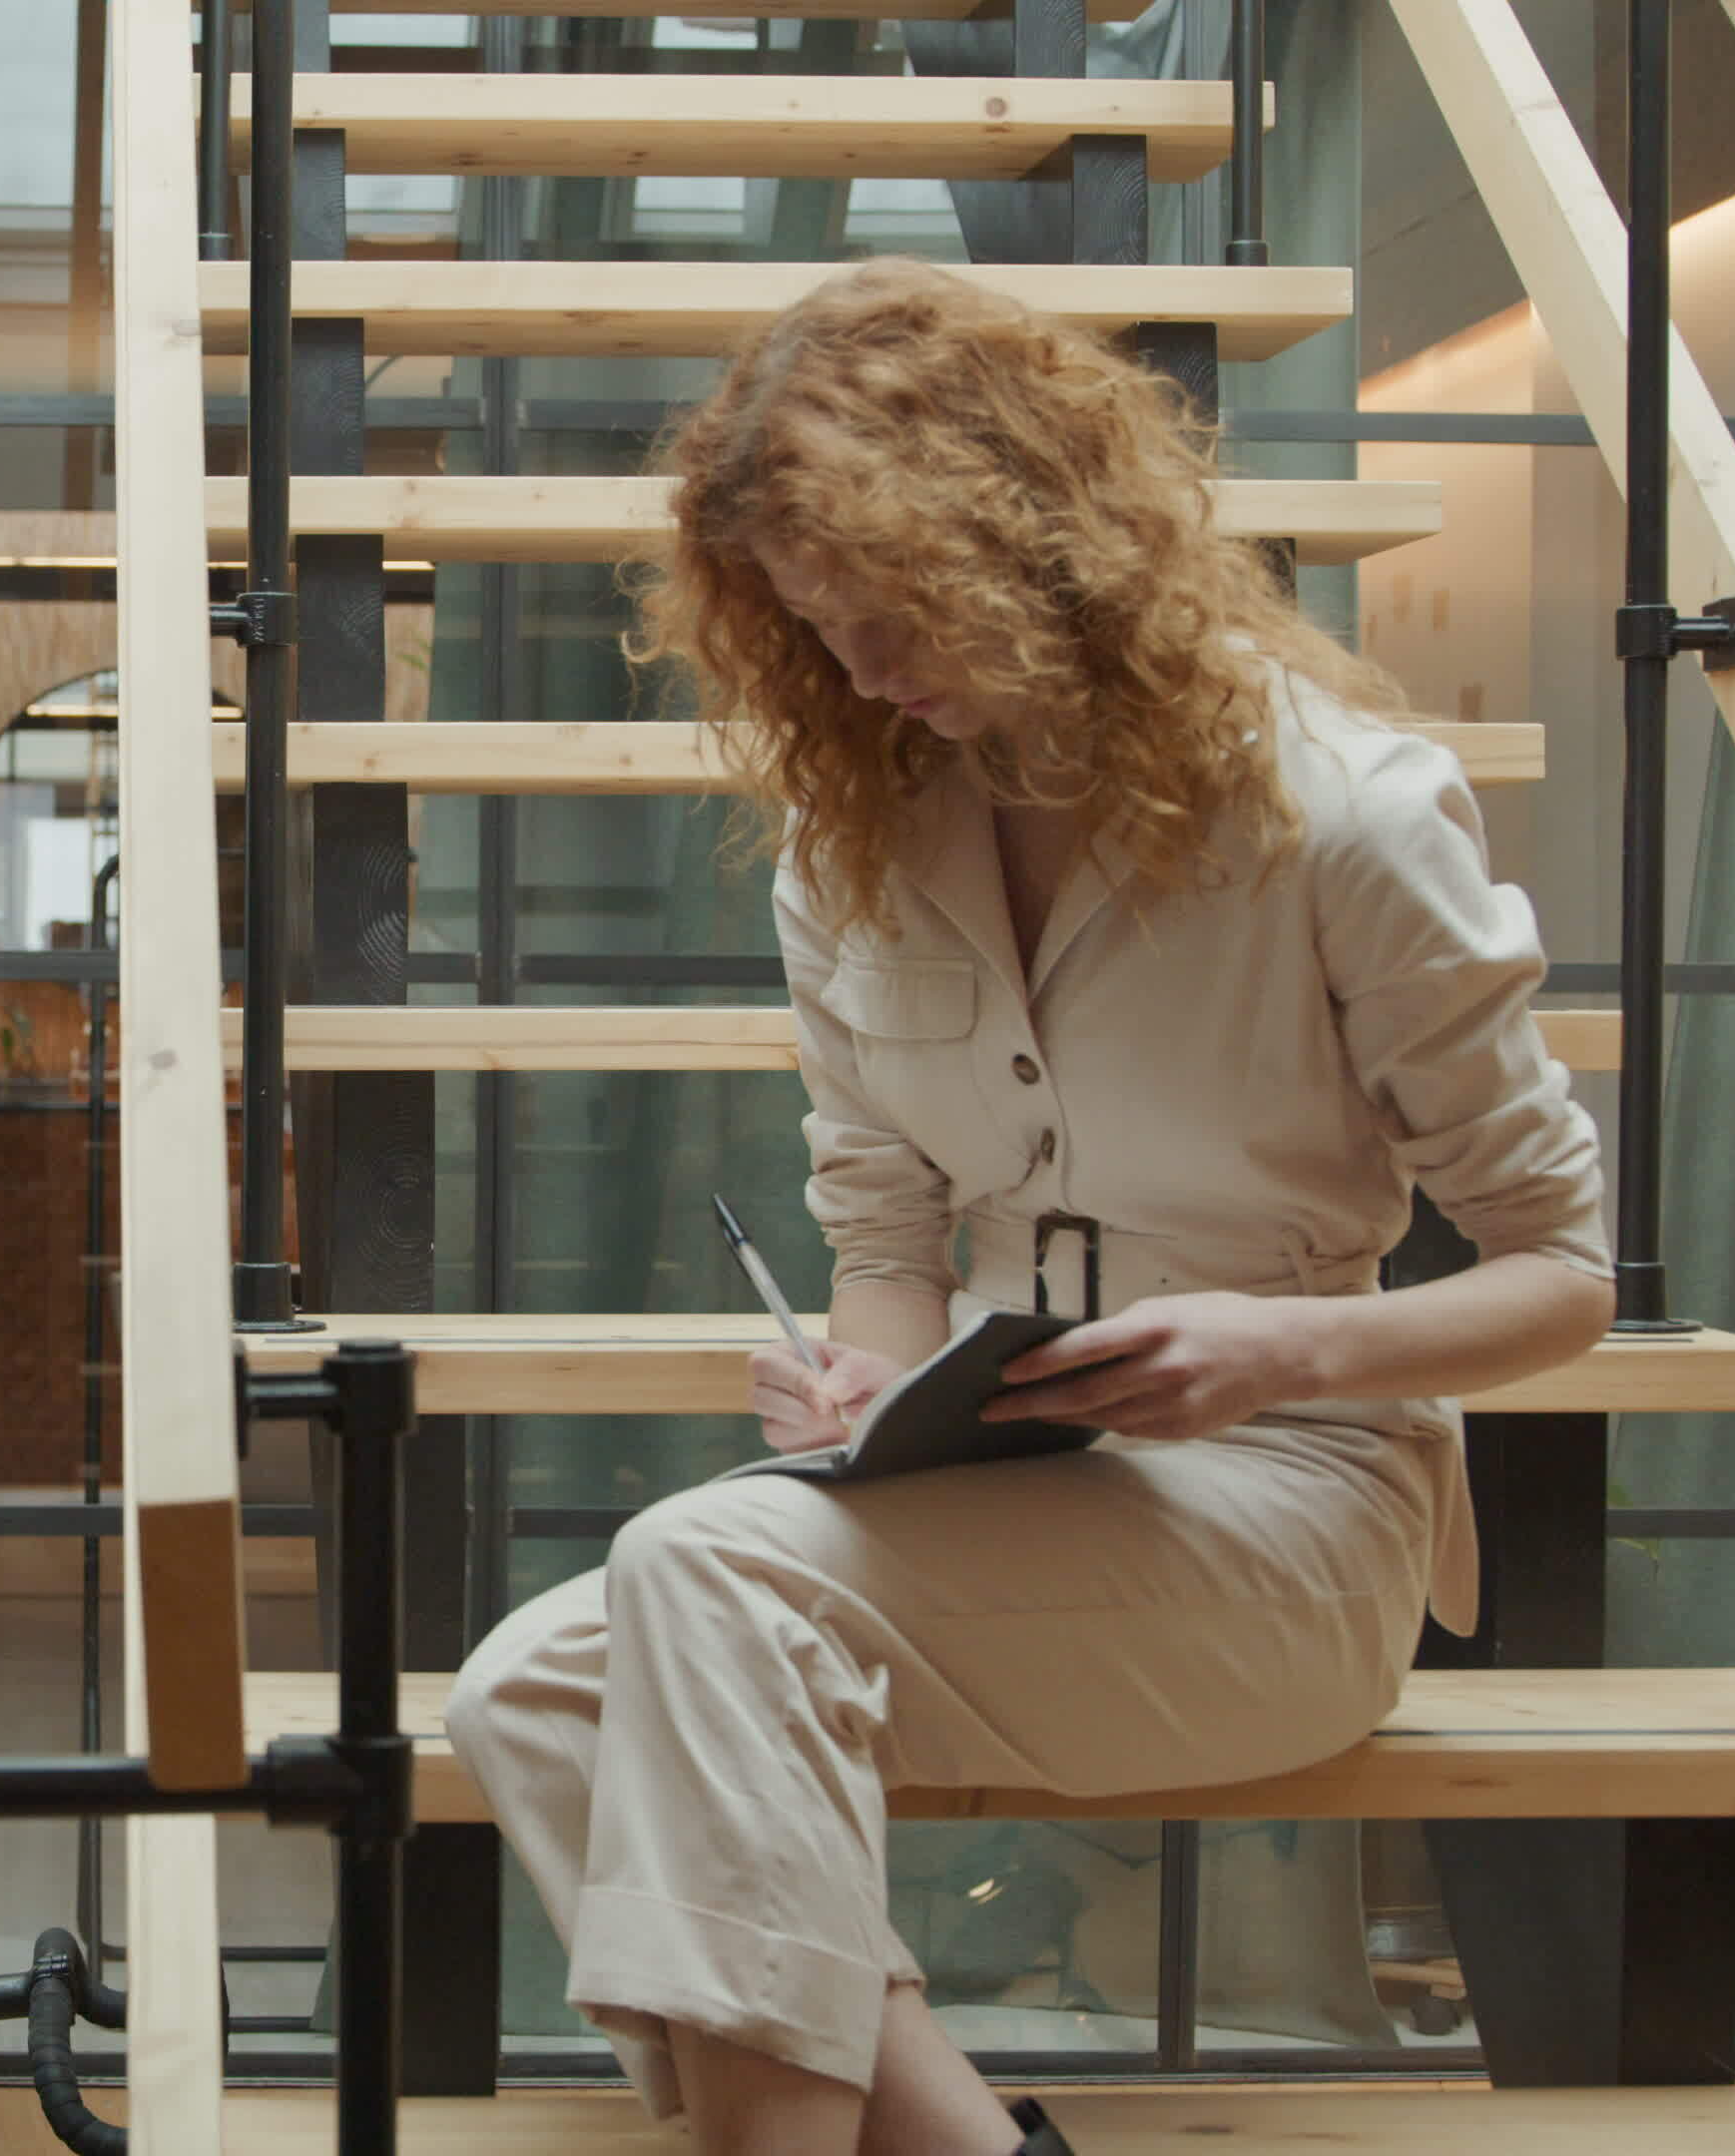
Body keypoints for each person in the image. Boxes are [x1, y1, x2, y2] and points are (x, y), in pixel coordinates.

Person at [439, 259, 1614, 2156]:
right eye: (817, 631)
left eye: (890, 608)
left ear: (1032, 541)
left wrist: (1284, 1345)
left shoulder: (1348, 820)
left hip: (1301, 1508)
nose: (863, 671)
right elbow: (890, 1242)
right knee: (529, 1689)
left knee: (692, 1583)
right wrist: (860, 1387)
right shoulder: (856, 852)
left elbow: (1567, 1281)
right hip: (994, 1494)